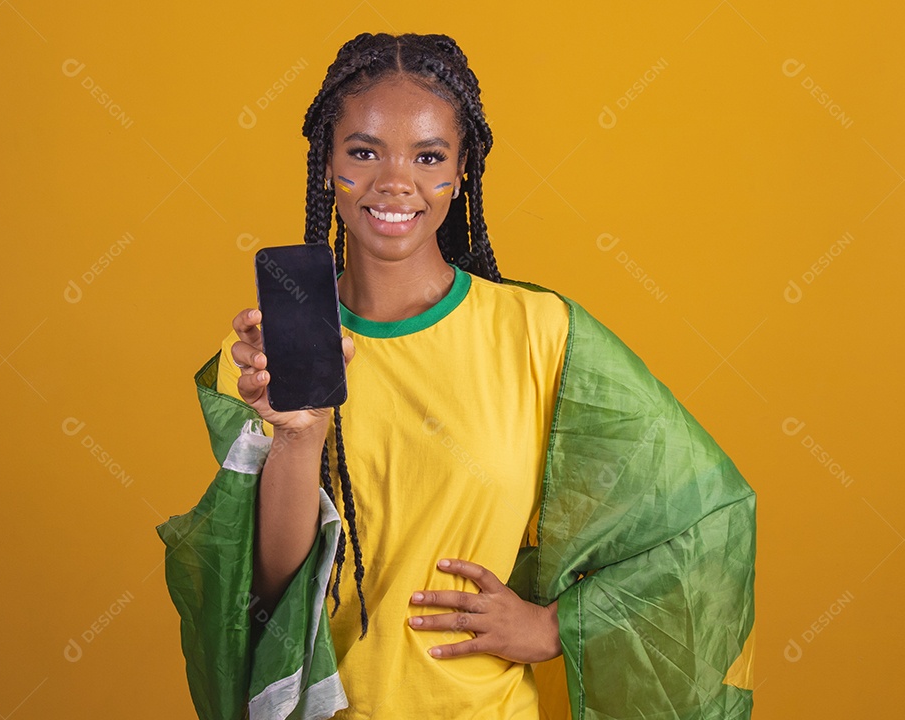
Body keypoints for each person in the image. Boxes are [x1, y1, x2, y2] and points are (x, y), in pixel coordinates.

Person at [157, 32, 756, 720]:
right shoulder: (267, 354)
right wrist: (299, 433)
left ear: (463, 169)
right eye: (363, 152)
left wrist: (553, 627)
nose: (395, 183)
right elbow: (263, 596)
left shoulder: (542, 334)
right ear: (326, 164)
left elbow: (709, 518)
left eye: (429, 156)